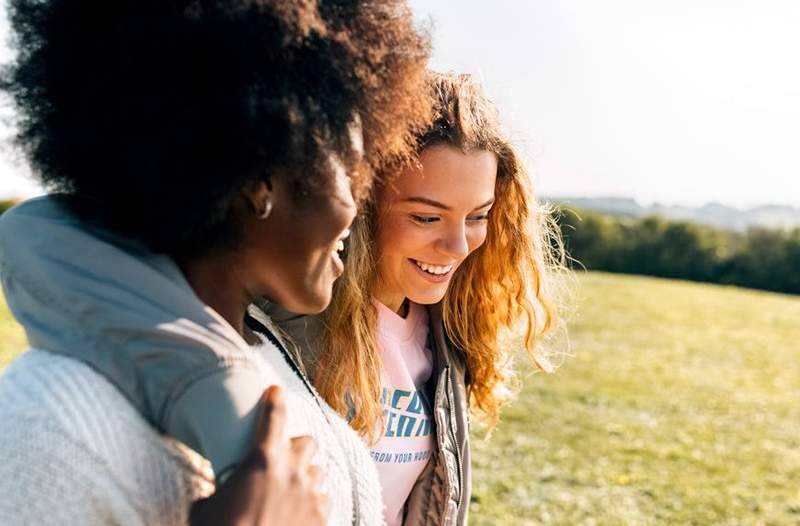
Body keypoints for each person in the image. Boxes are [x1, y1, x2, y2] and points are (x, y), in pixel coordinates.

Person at [0, 0, 430, 524]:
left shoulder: (268, 361)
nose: (357, 203)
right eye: (351, 171)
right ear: (260, 182)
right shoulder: (47, 425)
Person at [263, 71, 566, 525]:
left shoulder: (448, 336)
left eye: (477, 216)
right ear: (361, 205)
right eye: (427, 217)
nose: (458, 246)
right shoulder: (286, 320)